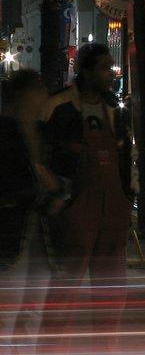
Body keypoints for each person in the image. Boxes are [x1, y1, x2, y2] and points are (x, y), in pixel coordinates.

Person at [39, 43, 133, 349]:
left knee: (111, 291)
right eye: (104, 67)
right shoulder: (60, 107)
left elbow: (126, 159)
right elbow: (42, 157)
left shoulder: (115, 110)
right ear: (86, 71)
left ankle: (105, 348)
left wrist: (127, 198)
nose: (111, 73)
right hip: (76, 208)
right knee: (65, 289)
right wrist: (59, 198)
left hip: (112, 210)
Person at [0, 70, 51, 349]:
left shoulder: (41, 131)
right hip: (12, 229)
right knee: (9, 307)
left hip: (36, 229)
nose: (43, 95)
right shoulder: (7, 133)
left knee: (33, 304)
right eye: (37, 89)